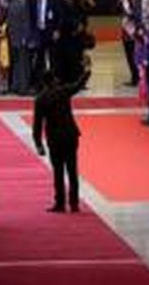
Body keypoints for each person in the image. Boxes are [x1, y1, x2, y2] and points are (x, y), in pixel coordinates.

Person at [33, 69, 91, 213]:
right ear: (54, 80)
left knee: (58, 172)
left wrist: (39, 144)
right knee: (72, 171)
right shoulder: (64, 91)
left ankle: (59, 203)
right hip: (70, 136)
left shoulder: (40, 99)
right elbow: (78, 85)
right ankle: (74, 203)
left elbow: (37, 124)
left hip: (54, 139)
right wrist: (86, 72)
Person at [7, 0, 33, 95]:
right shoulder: (25, 4)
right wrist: (25, 38)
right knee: (24, 64)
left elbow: (10, 22)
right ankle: (23, 88)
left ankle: (15, 85)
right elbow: (26, 23)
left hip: (13, 38)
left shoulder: (12, 3)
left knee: (16, 63)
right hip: (22, 38)